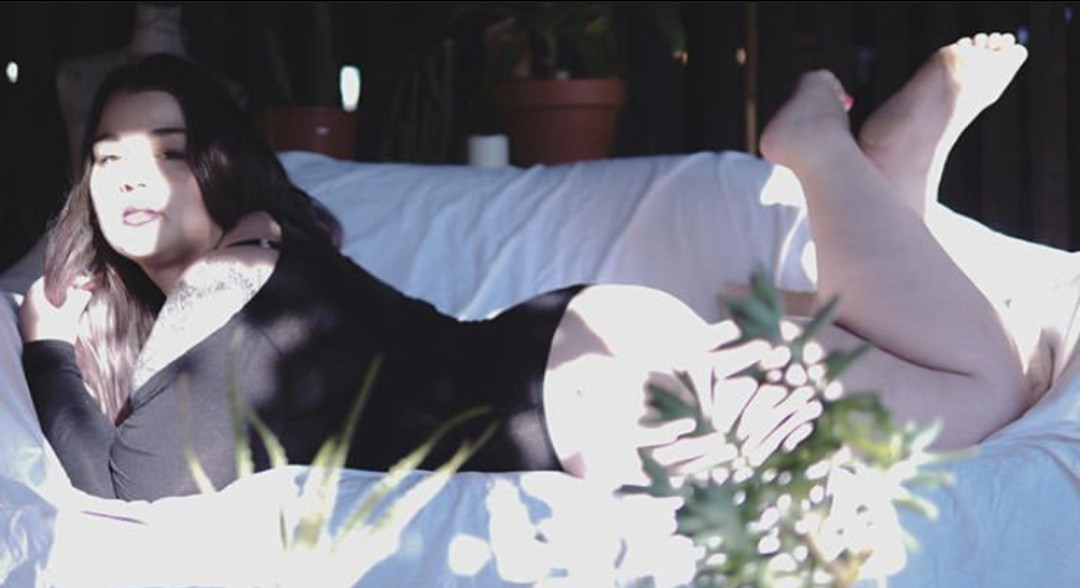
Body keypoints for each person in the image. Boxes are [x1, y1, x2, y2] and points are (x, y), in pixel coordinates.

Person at [19, 33, 1031, 501]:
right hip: (578, 370)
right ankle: (887, 201)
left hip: (591, 394)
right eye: (107, 158)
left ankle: (818, 150)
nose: (134, 176)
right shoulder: (270, 248)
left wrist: (47, 345)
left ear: (221, 161)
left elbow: (123, 478)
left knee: (985, 383)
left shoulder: (227, 278)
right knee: (939, 377)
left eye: (170, 150)